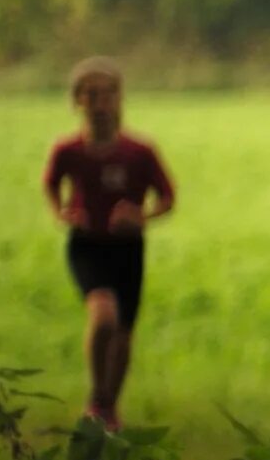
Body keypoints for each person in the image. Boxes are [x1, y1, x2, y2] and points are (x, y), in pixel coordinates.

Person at [42, 57, 176, 431]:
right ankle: (97, 397)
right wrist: (62, 213)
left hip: (127, 249)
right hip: (87, 246)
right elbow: (51, 184)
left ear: (120, 100)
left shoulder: (140, 151)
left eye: (108, 95)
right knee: (103, 316)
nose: (100, 104)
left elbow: (167, 197)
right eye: (91, 95)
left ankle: (109, 409)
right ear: (77, 102)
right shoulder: (68, 151)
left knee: (123, 334)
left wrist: (142, 218)